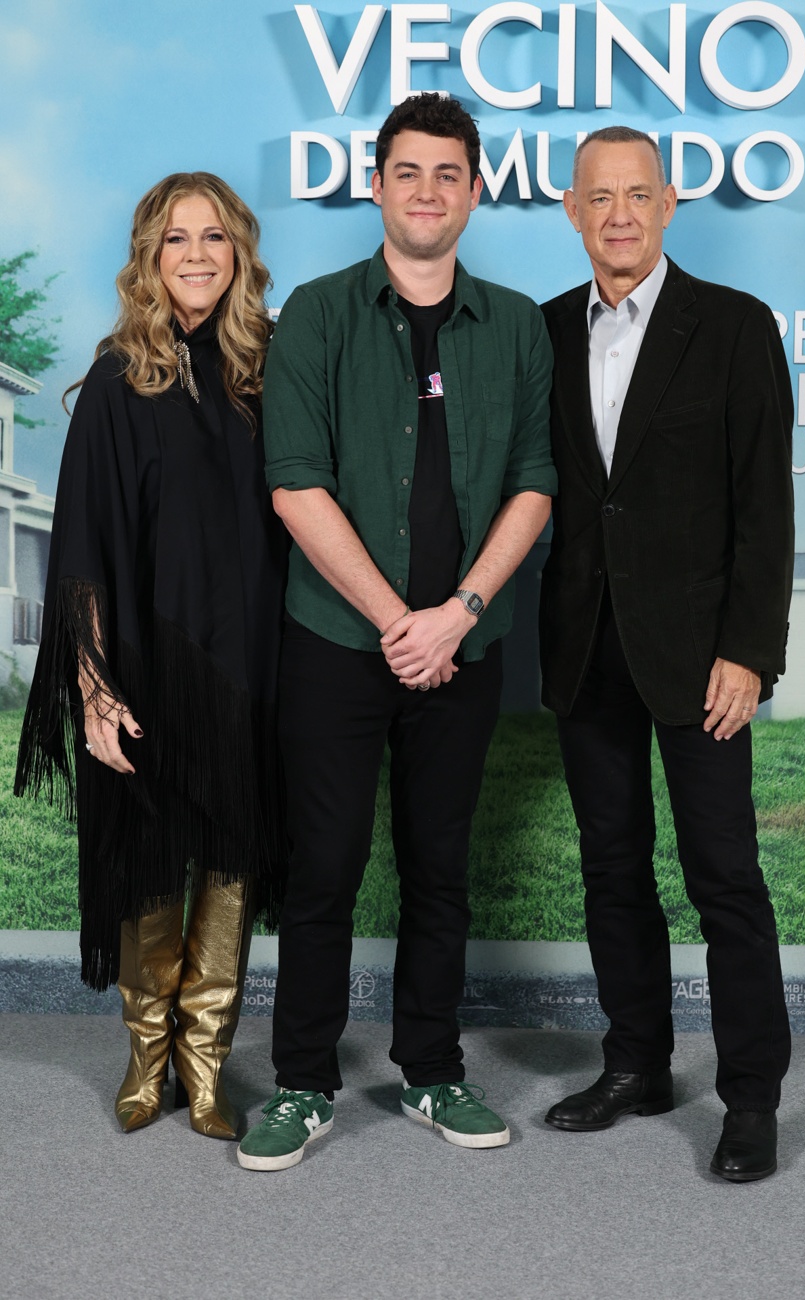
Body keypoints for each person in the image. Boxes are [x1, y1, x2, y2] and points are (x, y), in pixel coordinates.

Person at [237, 93, 556, 1171]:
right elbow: (294, 483)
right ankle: (301, 1083)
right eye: (407, 172)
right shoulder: (317, 314)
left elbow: (534, 482)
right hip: (337, 639)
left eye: (447, 174)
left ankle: (431, 1068)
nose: (427, 191)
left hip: (465, 644)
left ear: (475, 190)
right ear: (376, 186)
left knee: (440, 865)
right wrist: (395, 622)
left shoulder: (515, 324)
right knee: (323, 866)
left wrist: (457, 614)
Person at [539, 126, 794, 1181]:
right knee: (612, 869)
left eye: (638, 194)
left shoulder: (733, 325)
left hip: (702, 659)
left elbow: (763, 506)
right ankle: (637, 1063)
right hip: (585, 648)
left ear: (669, 203)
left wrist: (750, 652)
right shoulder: (544, 329)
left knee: (723, 875)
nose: (620, 215)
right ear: (572, 210)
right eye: (600, 197)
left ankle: (751, 1099)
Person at [15, 172, 289, 1140]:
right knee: (147, 863)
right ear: (149, 256)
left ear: (240, 253)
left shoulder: (270, 376)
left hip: (249, 666)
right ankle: (146, 1056)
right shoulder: (116, 382)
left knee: (231, 863)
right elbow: (82, 548)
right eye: (177, 239)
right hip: (142, 667)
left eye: (215, 237)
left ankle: (205, 1064)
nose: (197, 255)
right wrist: (93, 689)